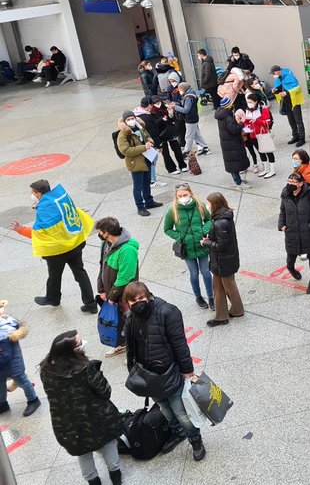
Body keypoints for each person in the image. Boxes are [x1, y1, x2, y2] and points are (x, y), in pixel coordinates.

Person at [122, 282, 206, 461]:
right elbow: (131, 348)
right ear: (128, 303)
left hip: (170, 373)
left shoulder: (168, 312)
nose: (138, 303)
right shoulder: (130, 318)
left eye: (141, 298)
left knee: (181, 412)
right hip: (148, 377)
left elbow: (179, 344)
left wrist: (187, 371)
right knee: (165, 408)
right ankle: (176, 431)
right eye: (133, 301)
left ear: (148, 296)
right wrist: (133, 371)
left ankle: (195, 439)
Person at [39, 329, 124, 484]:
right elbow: (105, 391)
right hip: (97, 417)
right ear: (70, 351)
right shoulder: (86, 368)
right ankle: (115, 475)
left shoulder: (46, 370)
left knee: (82, 452)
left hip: (67, 422)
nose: (83, 344)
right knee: (108, 444)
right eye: (79, 343)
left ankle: (93, 480)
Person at [10, 180, 98, 311]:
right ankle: (91, 304)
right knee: (80, 274)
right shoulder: (60, 200)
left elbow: (39, 233)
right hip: (74, 245)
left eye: (32, 192)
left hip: (57, 252)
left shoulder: (45, 209)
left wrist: (21, 229)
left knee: (54, 276)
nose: (31, 195)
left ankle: (53, 299)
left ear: (39, 194)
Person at [163, 184, 214, 311]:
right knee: (194, 274)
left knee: (206, 272)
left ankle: (211, 297)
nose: (182, 198)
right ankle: (198, 296)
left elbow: (209, 220)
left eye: (185, 195)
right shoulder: (172, 210)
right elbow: (167, 229)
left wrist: (203, 231)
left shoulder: (199, 205)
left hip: (201, 245)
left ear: (190, 193)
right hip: (187, 248)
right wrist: (180, 237)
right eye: (179, 196)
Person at [94, 217, 139, 357]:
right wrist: (101, 289)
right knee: (119, 322)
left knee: (131, 322)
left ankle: (135, 351)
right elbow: (102, 266)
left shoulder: (127, 249)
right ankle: (123, 344)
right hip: (111, 294)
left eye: (100, 232)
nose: (99, 235)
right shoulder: (106, 244)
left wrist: (112, 296)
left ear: (106, 233)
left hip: (125, 295)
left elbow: (125, 277)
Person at [200, 192, 244, 326]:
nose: (207, 206)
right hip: (224, 261)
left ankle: (225, 315)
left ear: (215, 204)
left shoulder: (220, 222)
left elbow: (221, 245)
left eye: (208, 203)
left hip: (222, 261)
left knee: (226, 287)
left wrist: (206, 243)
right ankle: (232, 311)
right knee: (220, 287)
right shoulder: (224, 217)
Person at [279, 172, 310, 294]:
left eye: (293, 182)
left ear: (300, 183)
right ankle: (292, 270)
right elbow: (282, 212)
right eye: (289, 181)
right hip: (292, 232)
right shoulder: (285, 194)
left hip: (308, 233)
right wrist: (282, 224)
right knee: (290, 260)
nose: (290, 184)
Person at [0, 301, 41, 416]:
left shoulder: (3, 333)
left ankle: (33, 400)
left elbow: (4, 355)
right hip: (4, 365)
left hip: (13, 365)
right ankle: (2, 403)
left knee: (22, 381)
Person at [117, 110, 161, 216]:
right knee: (138, 186)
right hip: (135, 162)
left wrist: (150, 142)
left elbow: (147, 136)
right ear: (124, 121)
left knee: (147, 182)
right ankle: (140, 207)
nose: (131, 121)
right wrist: (143, 147)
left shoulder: (139, 127)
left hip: (146, 159)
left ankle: (149, 201)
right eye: (128, 119)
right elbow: (125, 150)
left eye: (132, 118)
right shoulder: (123, 134)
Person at [214, 100, 251, 189]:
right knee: (234, 164)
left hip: (227, 144)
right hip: (232, 143)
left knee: (232, 163)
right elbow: (234, 130)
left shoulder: (221, 115)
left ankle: (237, 181)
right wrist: (242, 122)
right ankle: (238, 183)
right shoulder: (228, 117)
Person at [145, 97, 187, 175]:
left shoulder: (165, 108)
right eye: (155, 102)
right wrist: (161, 120)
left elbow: (172, 120)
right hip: (161, 134)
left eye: (159, 101)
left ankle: (182, 165)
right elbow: (154, 125)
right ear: (152, 104)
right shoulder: (151, 113)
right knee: (165, 153)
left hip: (170, 132)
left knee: (177, 149)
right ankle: (171, 169)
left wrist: (171, 114)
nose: (158, 103)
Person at [271, 65, 306, 146]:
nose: (273, 75)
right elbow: (279, 89)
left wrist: (286, 93)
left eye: (273, 73)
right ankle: (295, 136)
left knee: (298, 121)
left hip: (294, 102)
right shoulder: (278, 79)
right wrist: (275, 91)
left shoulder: (289, 76)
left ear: (278, 71)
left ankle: (302, 138)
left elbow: (297, 88)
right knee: (291, 121)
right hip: (285, 103)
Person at [243, 92, 276, 178]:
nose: (248, 104)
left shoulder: (263, 110)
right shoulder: (247, 110)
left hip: (263, 134)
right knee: (260, 152)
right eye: (247, 102)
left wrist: (256, 120)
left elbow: (267, 122)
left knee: (268, 152)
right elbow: (247, 123)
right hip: (253, 135)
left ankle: (272, 170)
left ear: (256, 101)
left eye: (250, 102)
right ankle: (266, 169)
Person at [178, 82, 212, 156]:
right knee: (197, 135)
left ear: (184, 89)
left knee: (189, 136)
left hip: (190, 119)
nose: (179, 90)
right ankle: (206, 148)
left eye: (180, 89)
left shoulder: (188, 97)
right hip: (193, 118)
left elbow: (186, 110)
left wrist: (175, 107)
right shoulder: (191, 94)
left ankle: (186, 151)